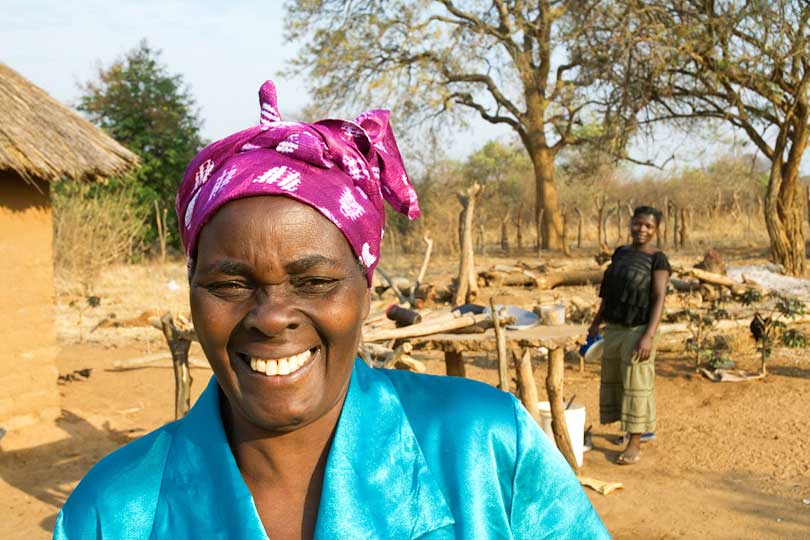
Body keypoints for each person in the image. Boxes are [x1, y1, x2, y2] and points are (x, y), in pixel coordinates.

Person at [54, 81, 610, 540]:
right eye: (229, 284)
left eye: (315, 281)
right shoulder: (113, 513)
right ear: (192, 293)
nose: (271, 317)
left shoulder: (483, 451)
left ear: (365, 291)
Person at [588, 206, 670, 465]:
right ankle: (634, 430)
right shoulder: (621, 253)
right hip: (615, 328)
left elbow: (659, 298)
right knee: (620, 382)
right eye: (639, 224)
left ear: (655, 230)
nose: (642, 230)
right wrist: (596, 322)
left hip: (639, 329)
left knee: (638, 385)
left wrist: (648, 335)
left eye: (649, 226)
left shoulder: (658, 259)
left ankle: (635, 441)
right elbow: (609, 292)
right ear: (631, 223)